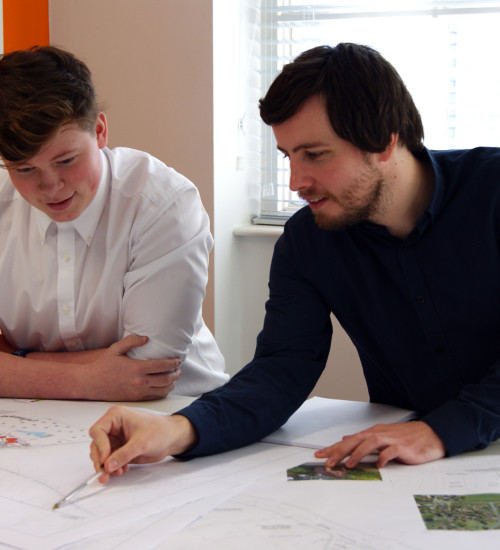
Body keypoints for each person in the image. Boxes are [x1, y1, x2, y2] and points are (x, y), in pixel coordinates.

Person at [89, 42, 500, 480]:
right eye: (288, 156)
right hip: (407, 462)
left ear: (383, 141)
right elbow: (281, 369)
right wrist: (178, 429)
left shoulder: (491, 192)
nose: (295, 183)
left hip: (441, 442)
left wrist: (440, 430)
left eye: (315, 155)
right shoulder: (308, 240)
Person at [0, 45, 228, 401]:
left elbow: (148, 365)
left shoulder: (164, 203)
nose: (50, 187)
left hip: (177, 408)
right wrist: (86, 379)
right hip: (37, 416)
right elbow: (112, 375)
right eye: (25, 169)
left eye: (66, 160)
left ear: (101, 131)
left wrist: (16, 361)